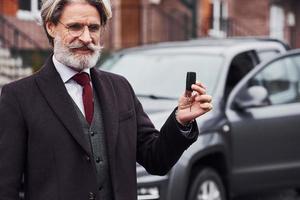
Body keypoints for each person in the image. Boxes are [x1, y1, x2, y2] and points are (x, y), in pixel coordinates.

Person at [0, 0, 213, 200]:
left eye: (93, 28)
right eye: (75, 27)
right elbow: (5, 186)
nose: (86, 37)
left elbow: (155, 159)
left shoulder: (120, 88)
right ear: (51, 27)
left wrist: (180, 121)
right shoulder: (18, 97)